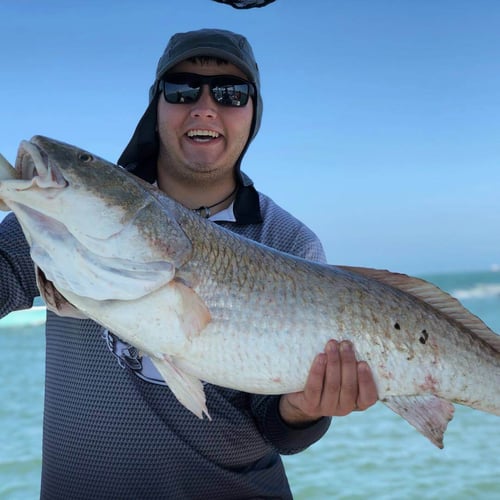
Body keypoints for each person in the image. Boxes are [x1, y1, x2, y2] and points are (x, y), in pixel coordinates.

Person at [0, 28, 377, 499]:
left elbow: (277, 429)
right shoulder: (67, 212)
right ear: (155, 107)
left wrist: (304, 410)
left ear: (253, 112)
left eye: (230, 93)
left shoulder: (289, 241)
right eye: (181, 90)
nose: (204, 107)